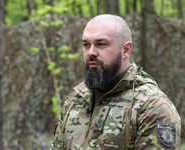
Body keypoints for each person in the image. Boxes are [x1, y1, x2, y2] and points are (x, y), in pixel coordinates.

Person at [51, 14, 181, 149]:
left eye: (101, 44)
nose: (91, 52)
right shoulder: (75, 101)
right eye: (86, 44)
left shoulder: (152, 107)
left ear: (125, 50)